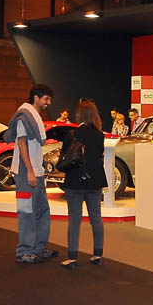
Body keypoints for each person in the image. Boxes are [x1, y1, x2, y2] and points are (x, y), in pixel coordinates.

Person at [6, 84, 58, 263]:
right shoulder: (23, 116)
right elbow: (22, 144)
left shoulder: (34, 116)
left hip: (37, 172)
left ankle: (38, 248)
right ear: (36, 97)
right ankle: (24, 251)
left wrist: (36, 171)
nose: (48, 103)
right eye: (46, 99)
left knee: (42, 210)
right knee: (26, 211)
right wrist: (29, 171)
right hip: (25, 173)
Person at [60, 100, 108, 269]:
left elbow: (64, 156)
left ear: (79, 115)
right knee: (96, 218)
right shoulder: (100, 135)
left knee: (74, 219)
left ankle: (72, 258)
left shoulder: (72, 134)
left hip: (74, 182)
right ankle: (98, 254)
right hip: (94, 182)